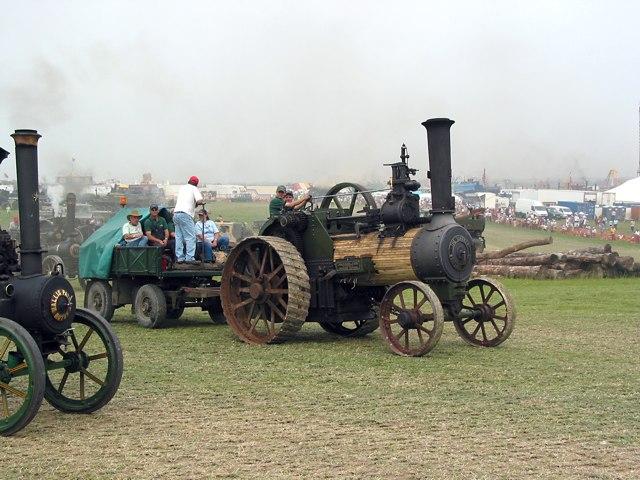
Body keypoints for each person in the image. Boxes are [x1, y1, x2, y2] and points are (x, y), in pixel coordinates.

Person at [173, 176, 205, 263]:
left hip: (176, 214)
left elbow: (187, 201)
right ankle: (190, 258)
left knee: (179, 237)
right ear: (196, 184)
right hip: (186, 215)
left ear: (189, 181)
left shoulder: (182, 188)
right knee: (190, 237)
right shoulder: (194, 188)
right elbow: (199, 200)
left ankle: (180, 258)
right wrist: (202, 202)